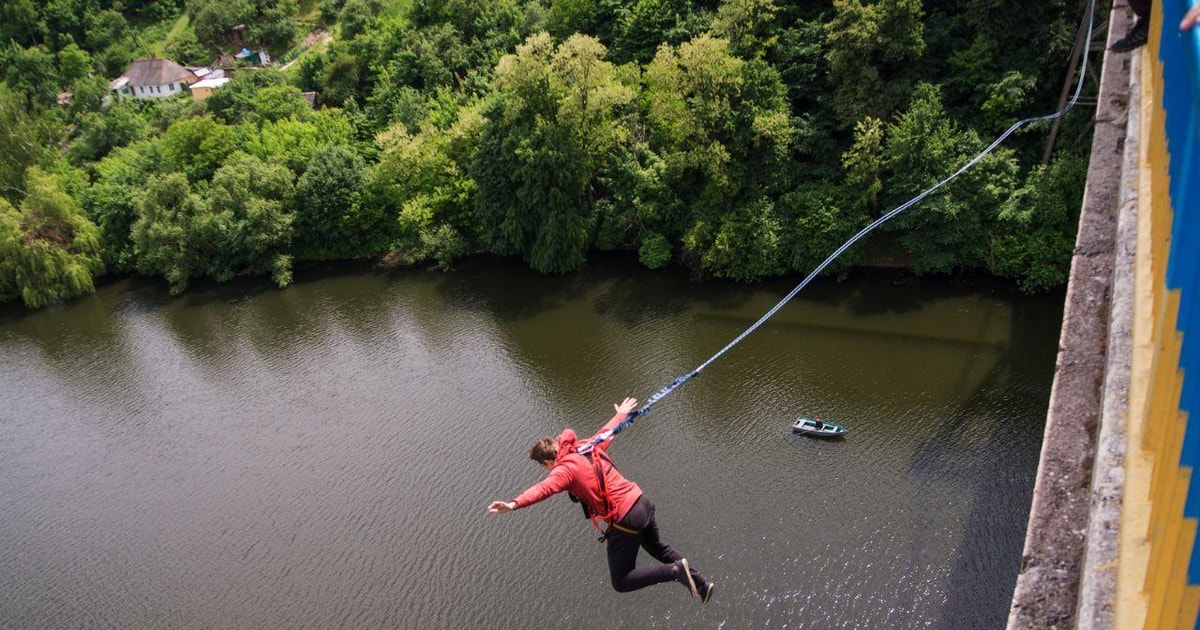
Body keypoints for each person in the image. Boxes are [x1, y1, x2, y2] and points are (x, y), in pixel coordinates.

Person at [488, 396, 715, 603]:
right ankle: (702, 584)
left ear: (547, 462)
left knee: (622, 580)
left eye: (546, 467)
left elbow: (543, 489)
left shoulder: (563, 469)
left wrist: (514, 503)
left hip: (625, 518)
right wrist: (622, 413)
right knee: (657, 548)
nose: (549, 470)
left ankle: (675, 572)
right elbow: (610, 429)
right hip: (641, 501)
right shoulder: (586, 445)